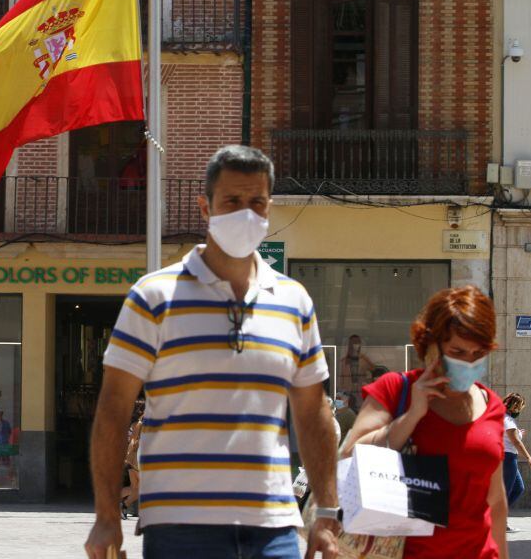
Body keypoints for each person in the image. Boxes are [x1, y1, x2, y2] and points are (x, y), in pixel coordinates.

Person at [85, 145, 340, 559]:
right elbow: (113, 410)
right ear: (205, 208)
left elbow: (313, 413)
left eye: (257, 202)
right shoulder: (153, 297)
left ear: (269, 208)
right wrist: (106, 516)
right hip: (181, 529)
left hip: (273, 530)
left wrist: (325, 513)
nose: (246, 213)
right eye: (232, 201)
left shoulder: (294, 301)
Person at [340, 286, 508, 559]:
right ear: (431, 346)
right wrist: (412, 415)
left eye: (478, 354)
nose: (468, 362)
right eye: (457, 351)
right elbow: (350, 455)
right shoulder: (396, 389)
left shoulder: (493, 405)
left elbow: (496, 501)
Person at [502, 392, 531, 526]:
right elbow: (516, 442)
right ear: (514, 406)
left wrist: (518, 433)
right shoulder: (508, 420)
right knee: (507, 490)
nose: (520, 410)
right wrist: (529, 458)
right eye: (520, 406)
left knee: (518, 488)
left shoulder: (504, 418)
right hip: (508, 457)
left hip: (508, 457)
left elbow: (511, 436)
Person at [120, 398, 144, 519]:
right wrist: (128, 456)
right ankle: (122, 505)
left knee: (135, 488)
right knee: (141, 487)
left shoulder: (132, 423)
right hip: (134, 458)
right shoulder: (138, 424)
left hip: (131, 458)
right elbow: (133, 441)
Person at [340, 334, 374, 411]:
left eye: (358, 343)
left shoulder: (364, 359)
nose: (356, 345)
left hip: (360, 390)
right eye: (354, 343)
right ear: (350, 344)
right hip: (348, 390)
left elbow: (373, 370)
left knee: (360, 409)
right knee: (347, 411)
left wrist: (367, 382)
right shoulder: (344, 361)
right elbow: (341, 379)